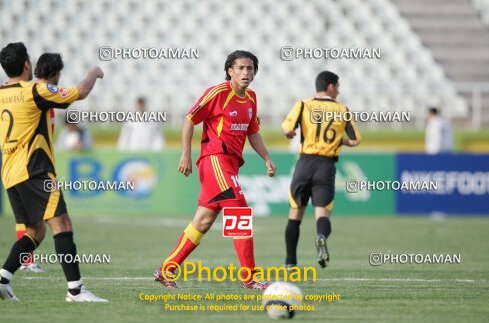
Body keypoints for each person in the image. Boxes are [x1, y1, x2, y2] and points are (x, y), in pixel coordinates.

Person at [0, 42, 107, 302]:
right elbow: (80, 93)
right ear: (27, 64)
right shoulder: (35, 91)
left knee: (35, 231)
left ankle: (2, 279)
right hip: (36, 170)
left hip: (10, 174)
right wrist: (94, 71)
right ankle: (75, 290)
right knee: (62, 224)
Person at [153, 50, 276, 289]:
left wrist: (266, 158)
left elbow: (252, 131)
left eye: (250, 68)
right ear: (230, 70)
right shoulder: (218, 93)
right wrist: (186, 154)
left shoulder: (251, 98)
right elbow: (190, 119)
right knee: (240, 213)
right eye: (240, 68)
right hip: (215, 161)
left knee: (202, 221)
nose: (245, 72)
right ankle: (250, 279)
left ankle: (166, 271)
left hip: (230, 165)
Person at [281, 71, 361, 269]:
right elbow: (355, 139)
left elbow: (287, 128)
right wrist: (338, 140)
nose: (339, 91)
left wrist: (290, 133)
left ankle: (290, 262)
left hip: (305, 164)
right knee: (322, 214)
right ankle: (321, 236)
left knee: (295, 214)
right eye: (338, 87)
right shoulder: (343, 110)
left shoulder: (303, 104)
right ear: (331, 87)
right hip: (326, 166)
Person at [16, 52, 63, 273]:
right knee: (56, 221)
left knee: (33, 218)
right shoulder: (36, 96)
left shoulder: (44, 99)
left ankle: (15, 269)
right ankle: (75, 288)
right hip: (31, 164)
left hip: (31, 163)